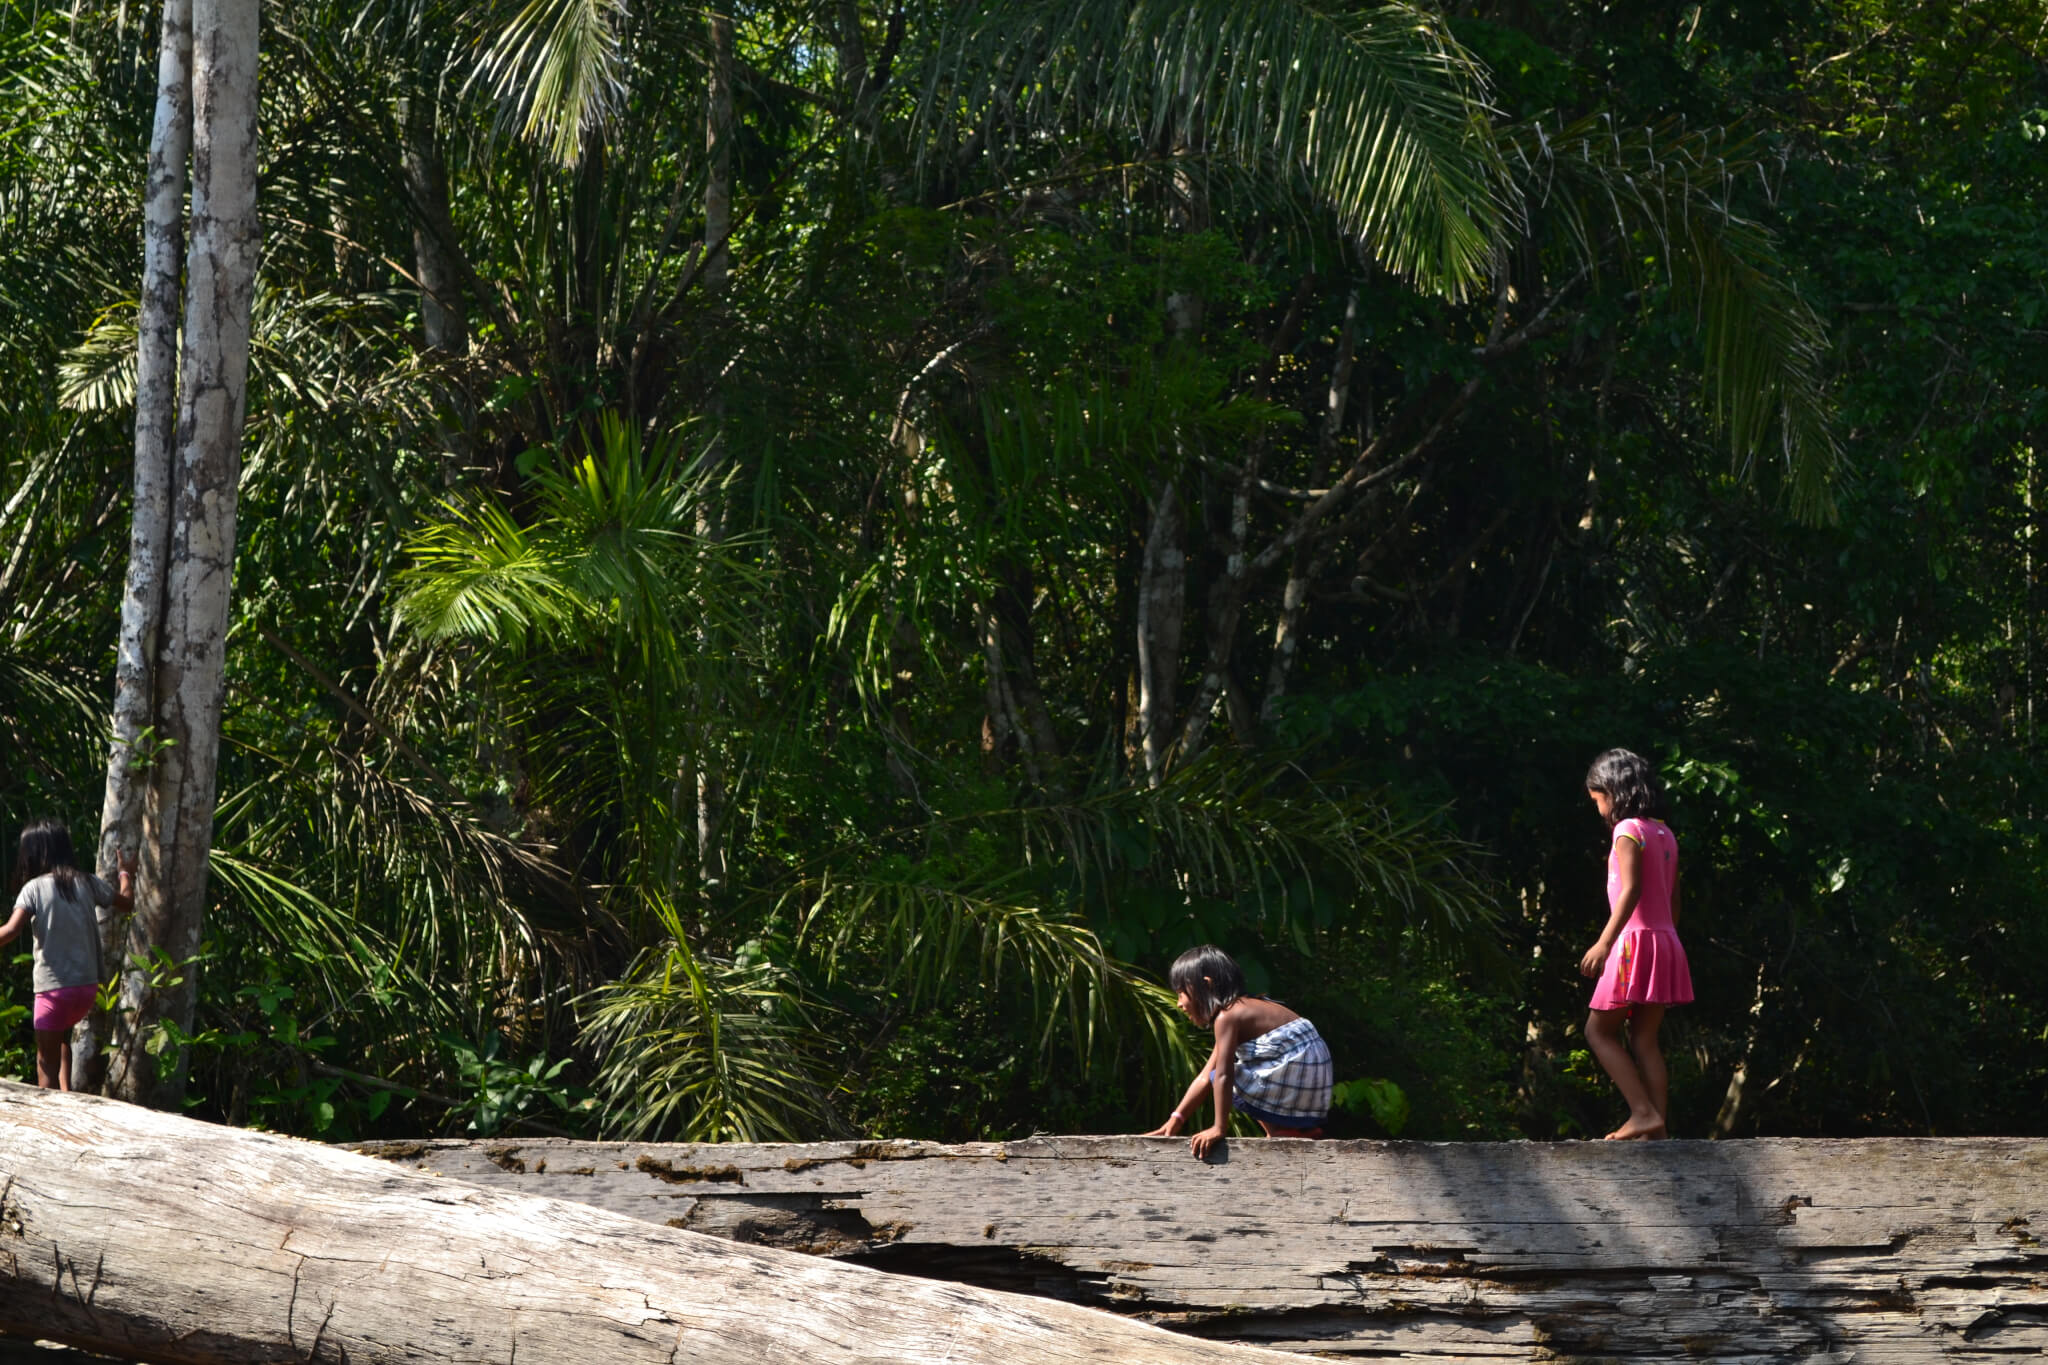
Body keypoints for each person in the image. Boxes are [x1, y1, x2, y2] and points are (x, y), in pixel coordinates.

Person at [1581, 749, 1693, 1140]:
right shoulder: (1664, 833)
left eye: (1597, 800)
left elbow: (1631, 891)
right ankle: (1657, 1129)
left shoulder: (1627, 830)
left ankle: (1643, 1113)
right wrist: (1664, 942)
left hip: (1632, 942)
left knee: (1597, 1032)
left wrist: (1604, 943)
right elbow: (1674, 898)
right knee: (1644, 1038)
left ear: (1611, 792)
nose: (1598, 810)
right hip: (1666, 941)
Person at [1144, 944, 1332, 1158]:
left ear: (1205, 986)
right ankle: (1297, 1131)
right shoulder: (1246, 1008)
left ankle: (1280, 1133)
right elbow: (1204, 1076)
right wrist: (1175, 1120)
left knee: (1224, 1076)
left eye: (1180, 994)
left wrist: (1218, 1128)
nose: (1179, 1004)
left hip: (1297, 1072)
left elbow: (1222, 1076)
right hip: (1314, 1082)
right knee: (1220, 1073)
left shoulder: (1228, 1016)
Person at [0, 820, 134, 1091]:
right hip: (85, 989)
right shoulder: (86, 881)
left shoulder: (34, 888)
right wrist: (125, 874)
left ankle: (48, 1118)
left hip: (53, 991)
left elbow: (12, 930)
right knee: (62, 1041)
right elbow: (127, 904)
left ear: (33, 854)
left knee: (45, 1062)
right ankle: (66, 1093)